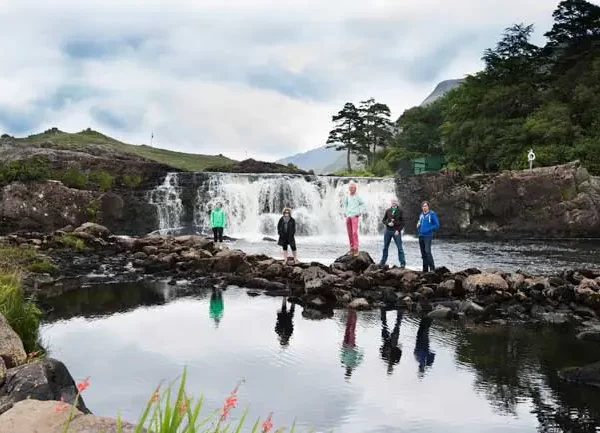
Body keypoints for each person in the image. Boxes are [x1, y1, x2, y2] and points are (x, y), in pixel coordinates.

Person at [380, 198, 406, 268]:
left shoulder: (400, 211)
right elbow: (383, 220)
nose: (393, 203)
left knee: (400, 248)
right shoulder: (388, 210)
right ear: (391, 203)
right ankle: (382, 262)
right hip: (388, 231)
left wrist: (398, 230)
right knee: (385, 247)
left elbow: (403, 222)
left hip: (396, 231)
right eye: (392, 202)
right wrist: (388, 224)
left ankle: (402, 263)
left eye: (395, 201)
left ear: (397, 202)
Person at [343, 182, 366, 257]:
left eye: (352, 188)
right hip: (348, 216)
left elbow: (363, 204)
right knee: (349, 233)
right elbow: (345, 204)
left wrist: (360, 212)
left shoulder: (357, 197)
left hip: (354, 216)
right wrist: (345, 212)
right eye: (350, 188)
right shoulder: (347, 196)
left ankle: (356, 248)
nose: (351, 189)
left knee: (354, 232)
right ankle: (351, 248)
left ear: (355, 189)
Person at [340, 309, 364, 380]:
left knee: (349, 329)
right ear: (350, 371)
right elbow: (360, 357)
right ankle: (353, 314)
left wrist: (358, 351)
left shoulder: (345, 363)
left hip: (347, 345)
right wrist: (357, 350)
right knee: (351, 330)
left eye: (347, 372)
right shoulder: (352, 364)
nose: (348, 370)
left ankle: (351, 313)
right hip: (350, 346)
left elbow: (342, 353)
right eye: (348, 372)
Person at [417, 201, 440, 272]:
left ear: (428, 207)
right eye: (423, 206)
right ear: (422, 207)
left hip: (428, 236)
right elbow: (420, 223)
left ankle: (432, 268)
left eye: (426, 206)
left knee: (427, 251)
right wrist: (418, 226)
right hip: (420, 235)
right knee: (423, 253)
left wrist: (428, 229)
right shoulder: (421, 215)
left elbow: (437, 225)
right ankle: (425, 270)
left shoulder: (432, 214)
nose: (424, 207)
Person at [380, 308, 403, 375]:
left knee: (384, 325)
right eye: (390, 368)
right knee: (397, 326)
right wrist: (395, 348)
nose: (390, 367)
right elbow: (400, 351)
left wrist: (386, 347)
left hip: (386, 341)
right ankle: (400, 312)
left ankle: (383, 311)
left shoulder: (384, 358)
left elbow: (381, 349)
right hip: (394, 342)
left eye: (389, 368)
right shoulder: (396, 360)